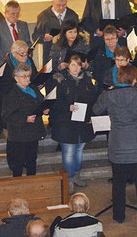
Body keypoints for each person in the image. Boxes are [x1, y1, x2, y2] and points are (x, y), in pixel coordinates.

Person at [93, 65, 137, 227]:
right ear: (132, 78)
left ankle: (119, 216)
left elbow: (96, 110)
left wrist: (106, 93)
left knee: (118, 183)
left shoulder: (108, 95)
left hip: (117, 145)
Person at [50, 55, 97, 193]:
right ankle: (68, 179)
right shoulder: (60, 81)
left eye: (78, 65)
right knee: (69, 153)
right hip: (66, 123)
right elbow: (53, 101)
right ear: (68, 66)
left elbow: (93, 100)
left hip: (82, 122)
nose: (76, 68)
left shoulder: (87, 80)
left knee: (79, 151)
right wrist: (67, 107)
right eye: (73, 65)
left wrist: (91, 115)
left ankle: (77, 175)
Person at [2, 63, 47, 176]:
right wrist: (25, 118)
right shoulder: (11, 94)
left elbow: (41, 101)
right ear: (16, 78)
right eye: (24, 76)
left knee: (32, 160)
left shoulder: (32, 88)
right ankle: (18, 186)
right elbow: (6, 115)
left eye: (28, 76)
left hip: (33, 131)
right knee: (18, 163)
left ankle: (31, 182)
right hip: (19, 134)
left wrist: (45, 108)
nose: (28, 79)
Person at [0, 40, 37, 138]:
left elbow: (34, 77)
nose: (25, 56)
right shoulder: (6, 66)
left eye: (27, 53)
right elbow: (4, 89)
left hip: (28, 99)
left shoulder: (29, 61)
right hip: (13, 101)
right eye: (22, 54)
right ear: (14, 53)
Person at [32, 0, 79, 64]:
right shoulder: (44, 16)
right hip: (50, 54)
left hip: (68, 55)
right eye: (58, 5)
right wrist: (44, 37)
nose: (61, 8)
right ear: (52, 3)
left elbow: (78, 35)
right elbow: (35, 36)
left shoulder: (72, 16)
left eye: (64, 5)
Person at [0, 0, 32, 70]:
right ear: (6, 13)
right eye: (13, 14)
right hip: (5, 64)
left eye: (18, 13)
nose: (16, 16)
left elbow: (28, 43)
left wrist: (26, 55)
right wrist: (9, 57)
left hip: (22, 64)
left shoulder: (23, 25)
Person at [91, 25, 126, 91]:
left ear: (117, 39)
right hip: (104, 86)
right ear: (104, 40)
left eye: (112, 38)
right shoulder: (99, 53)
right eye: (107, 39)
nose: (110, 41)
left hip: (123, 85)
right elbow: (96, 74)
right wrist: (109, 83)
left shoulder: (124, 51)